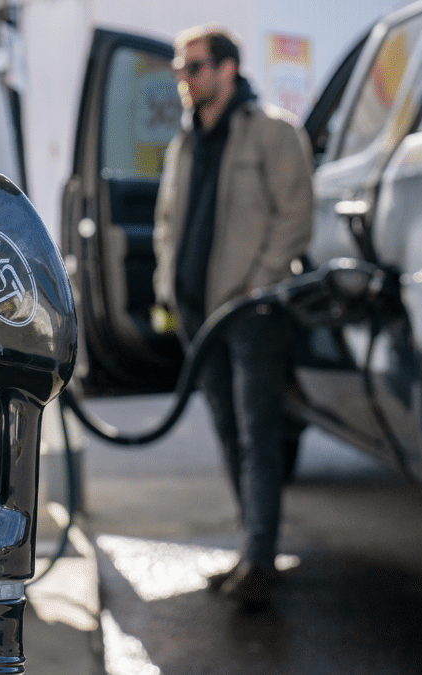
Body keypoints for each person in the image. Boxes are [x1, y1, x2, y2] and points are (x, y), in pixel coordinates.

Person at [151, 25, 314, 609]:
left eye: (194, 68)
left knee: (256, 436)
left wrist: (256, 284)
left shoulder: (272, 132)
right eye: (179, 70)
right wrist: (167, 286)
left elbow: (296, 217)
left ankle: (261, 558)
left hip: (250, 314)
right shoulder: (186, 142)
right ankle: (252, 552)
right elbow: (168, 220)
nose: (184, 81)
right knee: (226, 432)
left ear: (226, 69)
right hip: (198, 313)